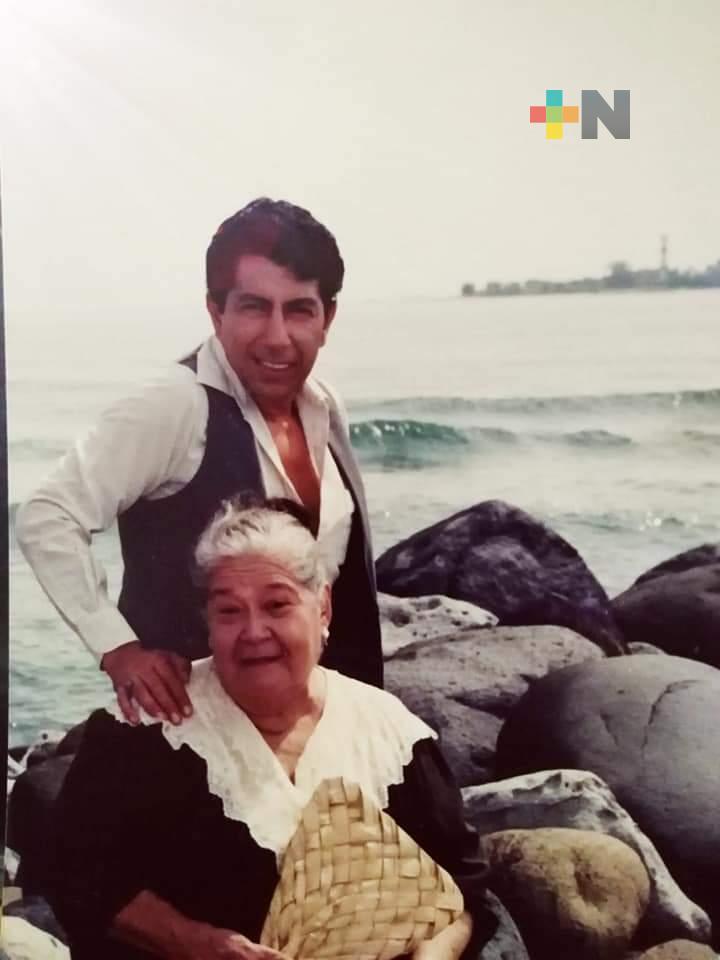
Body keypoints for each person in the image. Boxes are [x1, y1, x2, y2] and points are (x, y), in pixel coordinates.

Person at [48, 499, 495, 960]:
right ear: (207, 621)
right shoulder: (150, 727)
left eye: (277, 605)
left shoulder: (390, 734)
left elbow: (465, 889)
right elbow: (74, 873)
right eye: (229, 611)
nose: (254, 631)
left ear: (322, 608)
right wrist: (197, 944)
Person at [15, 198, 382, 726]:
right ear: (216, 311)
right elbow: (48, 515)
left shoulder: (324, 405)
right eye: (254, 307)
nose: (278, 336)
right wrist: (118, 649)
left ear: (327, 318)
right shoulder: (178, 404)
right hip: (197, 733)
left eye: (299, 309)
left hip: (314, 722)